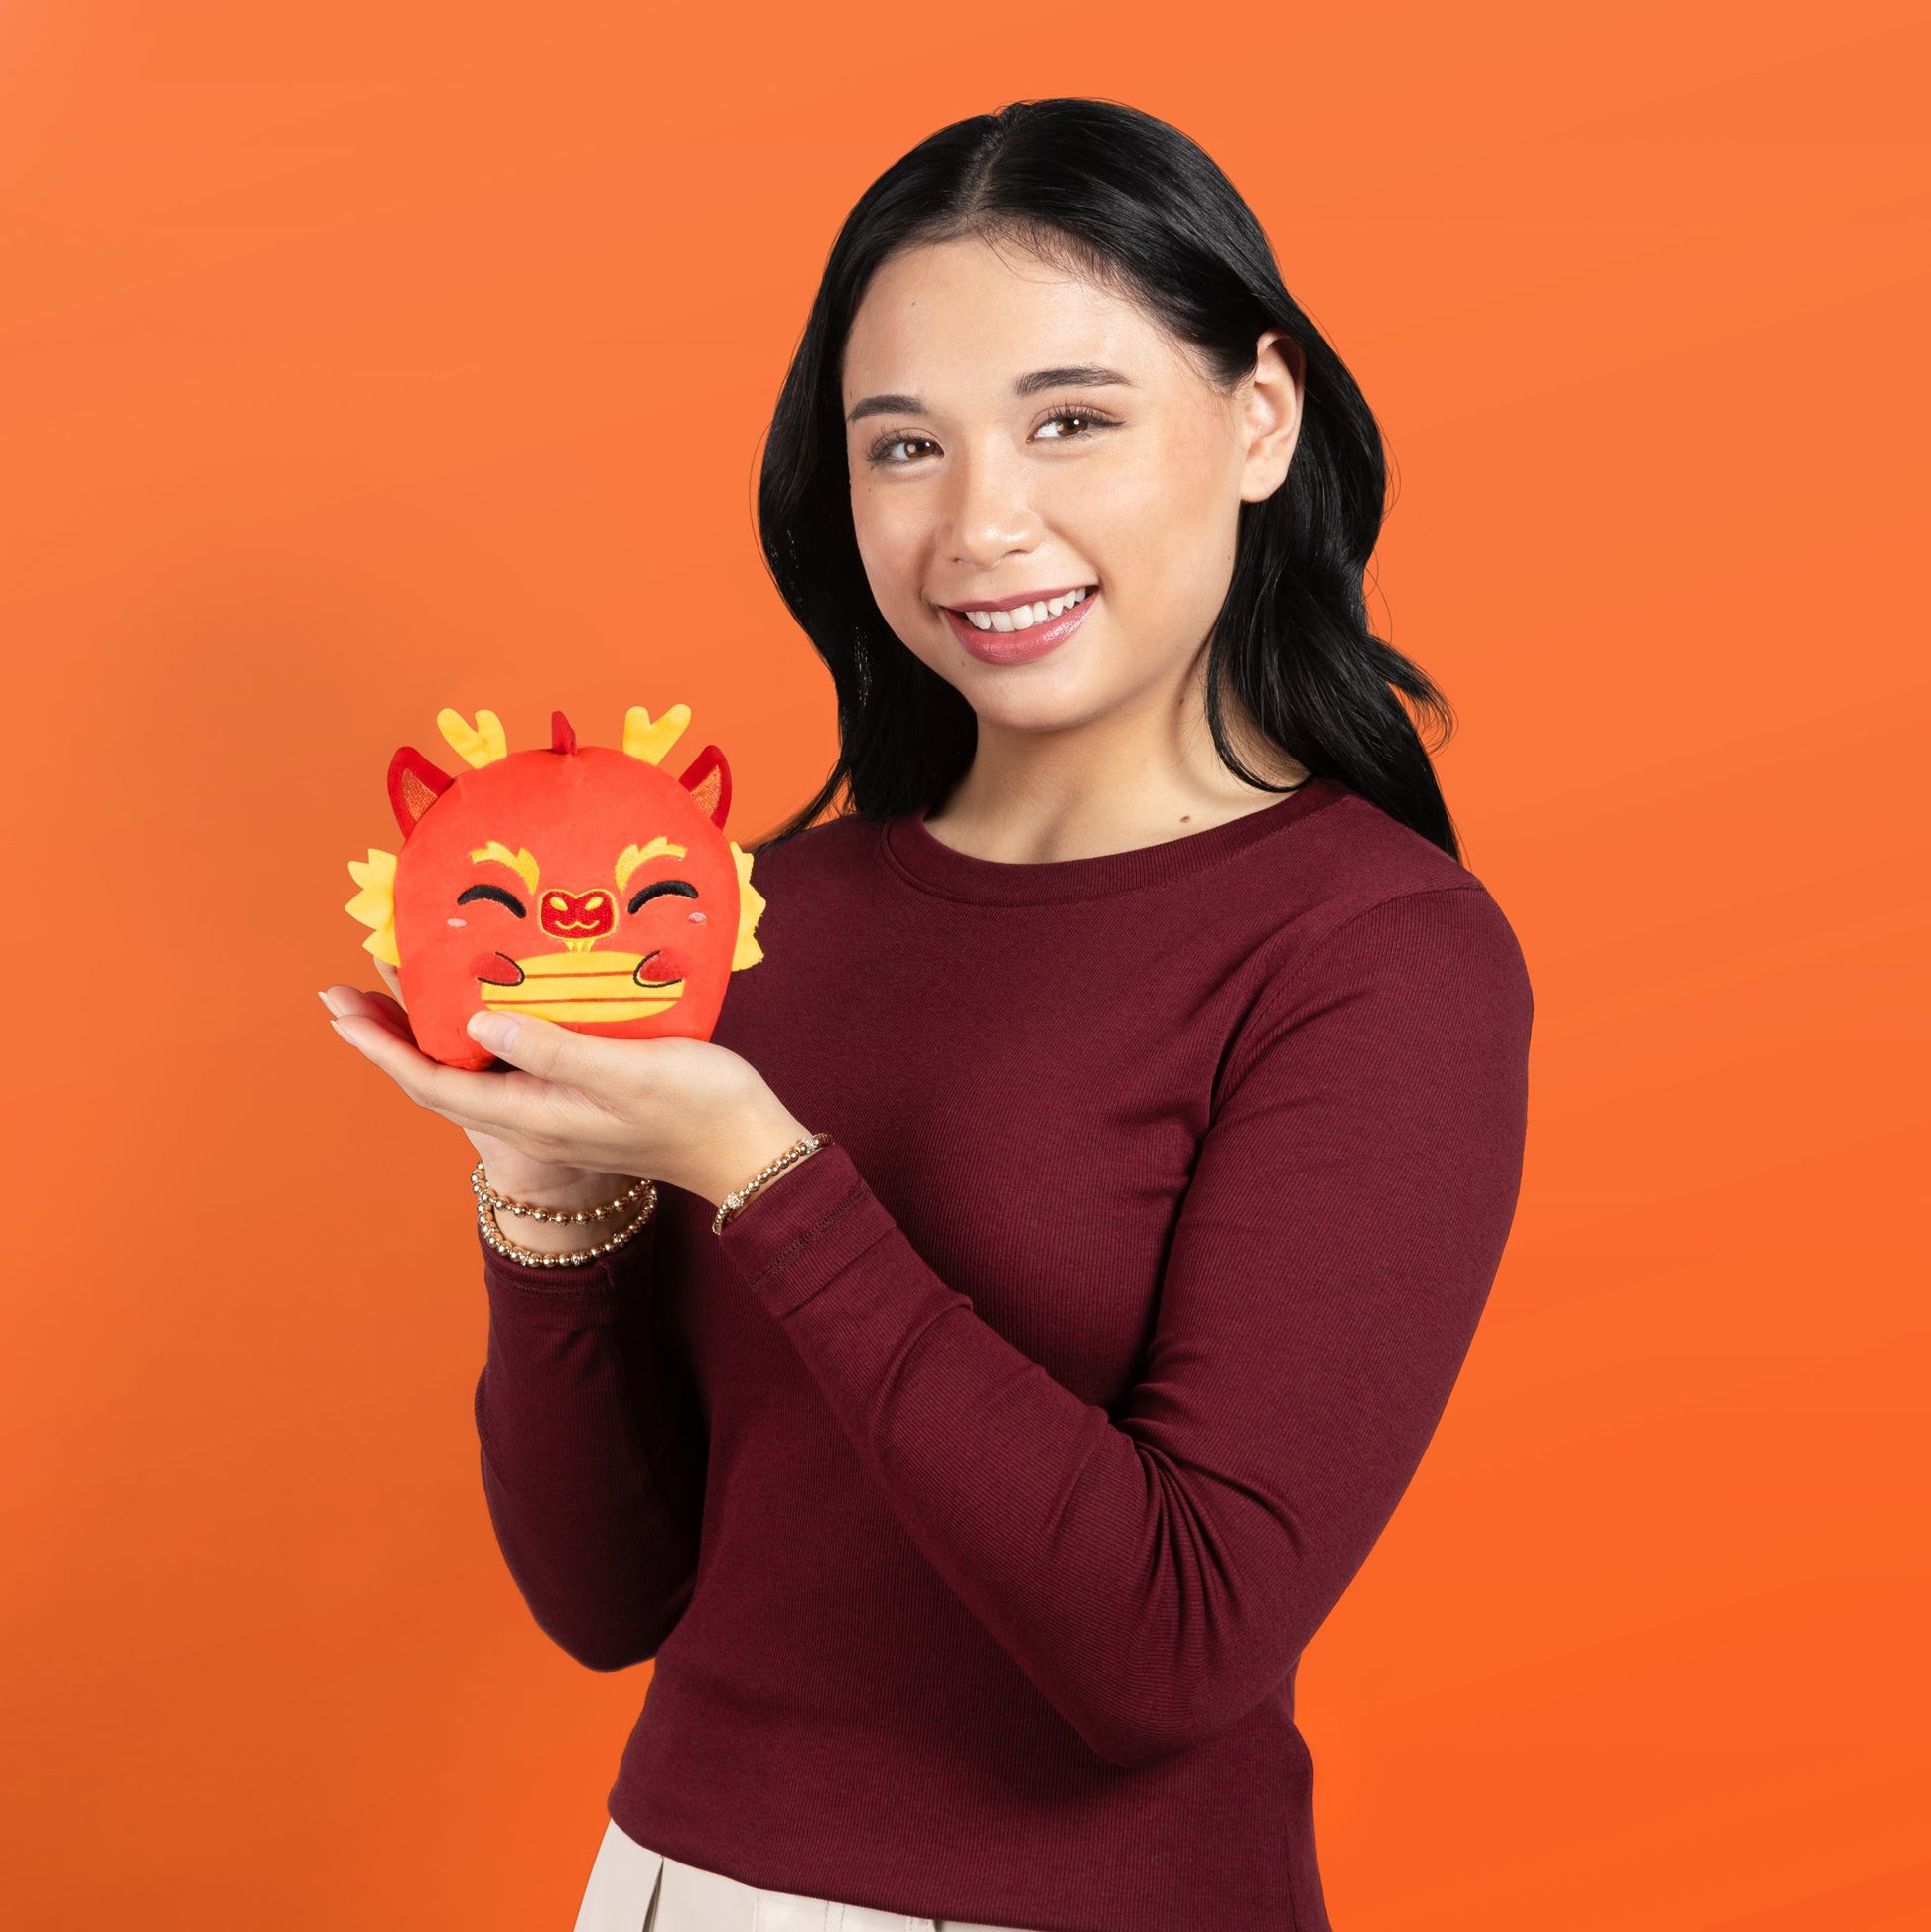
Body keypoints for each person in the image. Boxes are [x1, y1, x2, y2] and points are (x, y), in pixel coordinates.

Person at [321, 96, 1534, 1932]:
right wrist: (546, 1204)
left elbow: (1169, 1646)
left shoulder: (1375, 951)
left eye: (1071, 421)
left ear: (1260, 417)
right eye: (904, 446)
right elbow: (609, 1597)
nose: (979, 524)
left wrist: (763, 1170)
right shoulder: (757, 917)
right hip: (664, 1887)